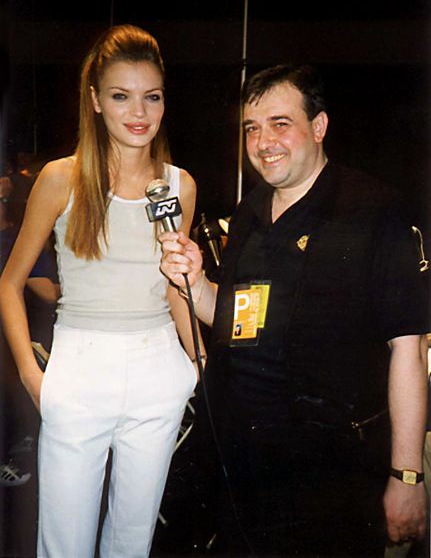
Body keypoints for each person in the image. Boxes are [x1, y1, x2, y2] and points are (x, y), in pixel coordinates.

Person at [159, 64, 430, 557]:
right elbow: (237, 319)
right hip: (244, 468)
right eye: (252, 128)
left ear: (319, 126)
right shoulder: (251, 212)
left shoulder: (374, 211)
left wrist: (406, 476)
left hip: (333, 479)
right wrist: (194, 282)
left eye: (280, 124)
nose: (263, 142)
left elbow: (408, 351)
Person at [0, 24, 201, 558]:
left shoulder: (178, 185)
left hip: (159, 367)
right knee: (63, 544)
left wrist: (195, 364)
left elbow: (176, 285)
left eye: (151, 97)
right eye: (120, 96)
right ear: (94, 100)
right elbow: (10, 283)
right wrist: (32, 376)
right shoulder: (60, 179)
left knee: (132, 542)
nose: (139, 112)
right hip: (80, 368)